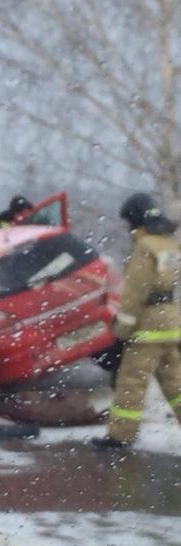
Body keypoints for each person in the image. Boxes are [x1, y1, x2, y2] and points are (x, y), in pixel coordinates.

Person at [92, 192, 181, 451]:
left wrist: (121, 329)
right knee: (176, 383)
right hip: (172, 323)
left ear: (135, 220)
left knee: (131, 381)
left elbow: (134, 293)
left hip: (149, 327)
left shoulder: (144, 248)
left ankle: (120, 436)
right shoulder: (169, 244)